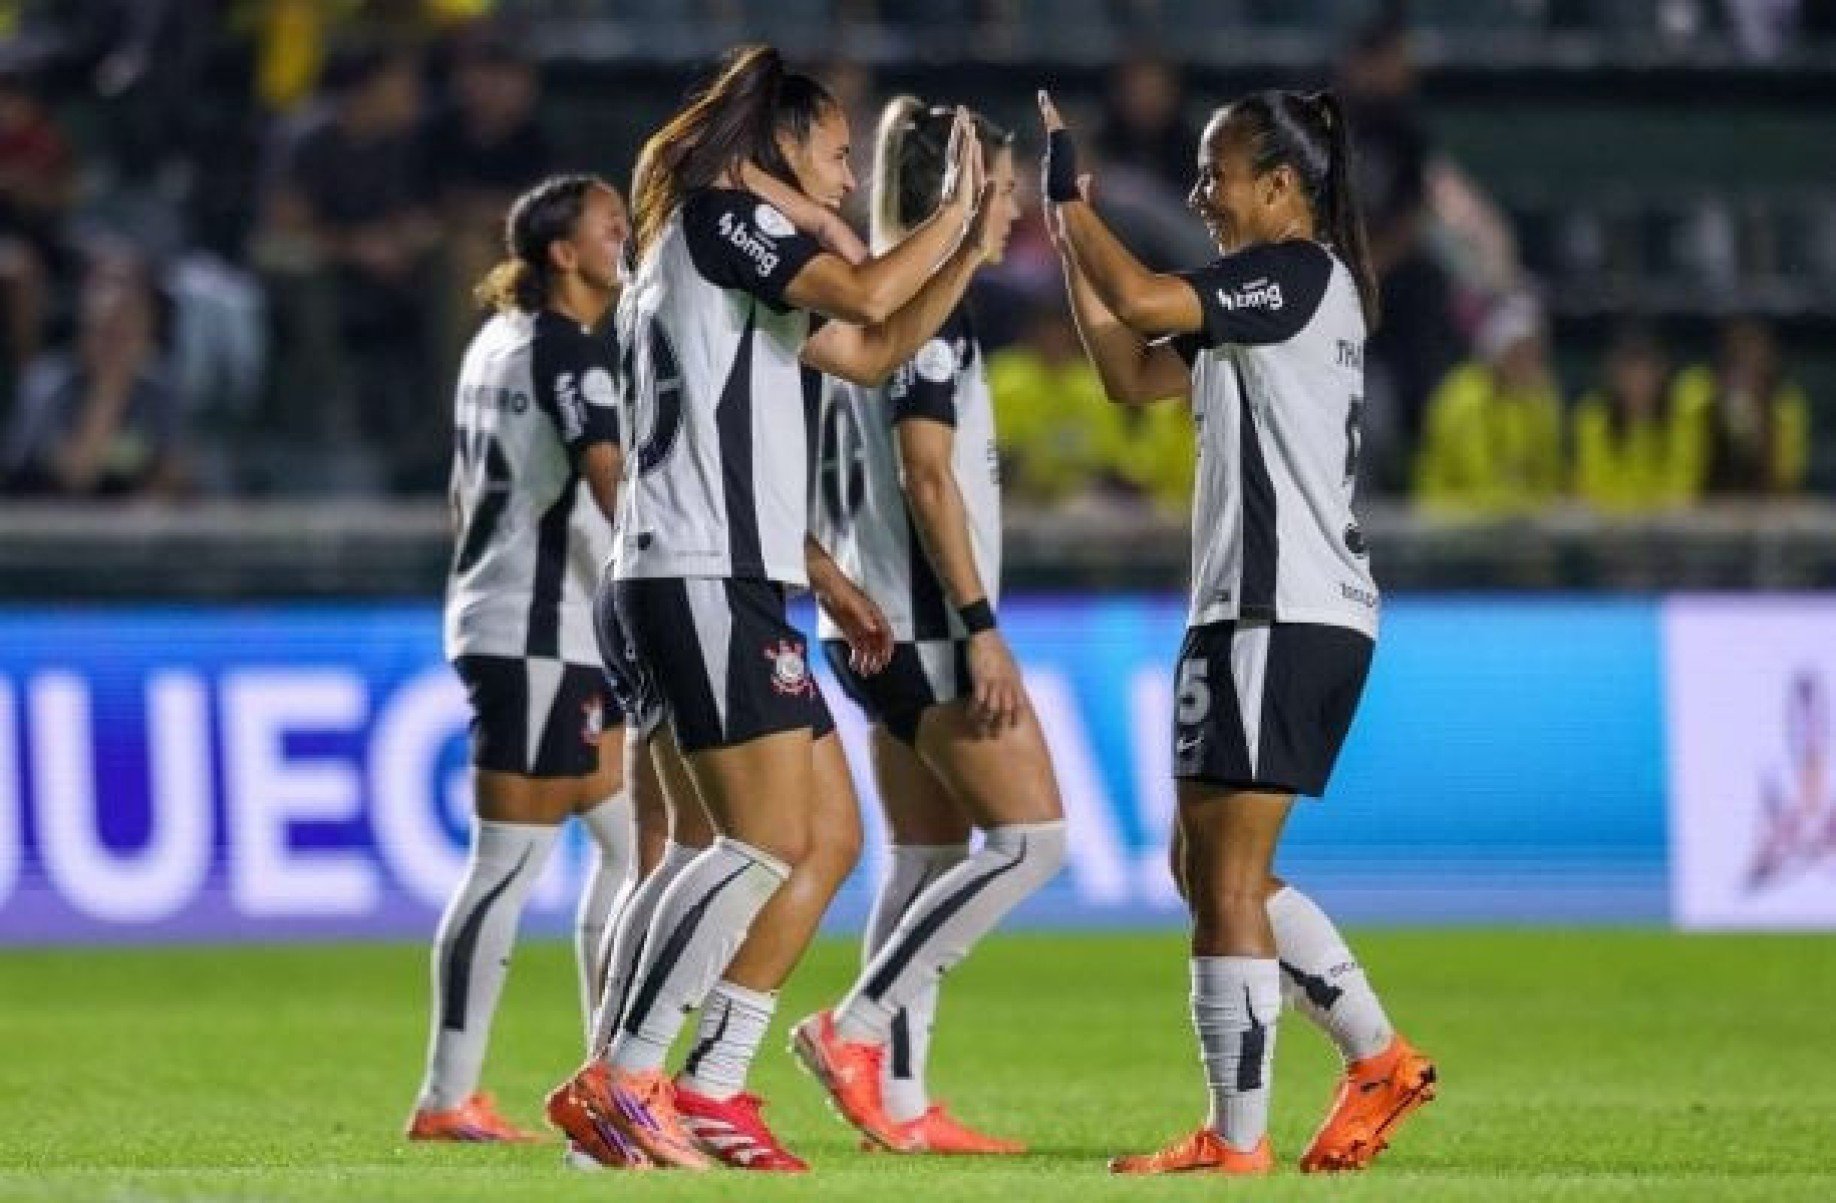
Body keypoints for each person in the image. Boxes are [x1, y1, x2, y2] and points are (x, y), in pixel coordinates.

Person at [545, 44, 1004, 1172]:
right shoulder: (717, 220)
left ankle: (702, 1085)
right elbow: (861, 291)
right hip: (696, 571)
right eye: (837, 154)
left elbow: (879, 344)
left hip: (737, 575)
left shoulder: (723, 251)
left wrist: (964, 247)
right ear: (781, 143)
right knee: (749, 844)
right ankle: (624, 1076)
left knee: (822, 840)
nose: (847, 180)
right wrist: (952, 208)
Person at [1041, 86, 1436, 1176]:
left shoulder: (1298, 276)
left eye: (1216, 173)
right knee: (1200, 863)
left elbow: (1145, 297)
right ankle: (1375, 1058)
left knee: (1223, 879)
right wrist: (1068, 236)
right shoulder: (1269, 301)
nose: (1198, 192)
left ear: (1281, 187)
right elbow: (1127, 372)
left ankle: (1239, 1135)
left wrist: (1071, 204)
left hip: (1285, 608)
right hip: (1246, 610)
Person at [802, 96, 1065, 1157]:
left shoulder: (845, 309)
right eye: (997, 184)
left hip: (866, 624)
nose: (1010, 206)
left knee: (922, 855)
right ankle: (855, 1027)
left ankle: (899, 1107)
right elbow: (925, 475)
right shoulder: (927, 318)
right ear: (951, 190)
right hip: (924, 628)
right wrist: (982, 626)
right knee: (1033, 844)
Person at [405, 174, 637, 1143]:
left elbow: (469, 495)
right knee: (507, 865)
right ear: (563, 255)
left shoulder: (493, 344)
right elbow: (615, 490)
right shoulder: (567, 352)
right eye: (610, 228)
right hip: (538, 634)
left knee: (635, 847)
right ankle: (446, 1094)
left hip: (530, 623)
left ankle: (613, 1075)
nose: (626, 239)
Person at [1413, 292, 1564, 515]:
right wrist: (1532, 505)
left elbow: (1547, 472)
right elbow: (1476, 481)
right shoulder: (1465, 399)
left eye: (1534, 353)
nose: (1529, 363)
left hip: (1512, 519)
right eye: (1519, 353)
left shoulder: (1539, 397)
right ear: (1497, 354)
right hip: (1450, 522)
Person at [1672, 316, 1809, 498]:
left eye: (1756, 360)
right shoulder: (1696, 391)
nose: (1747, 368)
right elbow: (1684, 466)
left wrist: (1761, 420)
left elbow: (1787, 477)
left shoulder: (1785, 401)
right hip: (1703, 503)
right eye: (1738, 356)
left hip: (1763, 505)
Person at [1571, 322, 1696, 513]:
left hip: (1668, 530)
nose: (1637, 383)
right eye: (1629, 373)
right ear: (1614, 374)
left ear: (1660, 373)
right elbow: (1595, 484)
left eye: (1645, 373)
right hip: (1610, 528)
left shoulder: (1681, 418)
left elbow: (1682, 482)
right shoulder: (1593, 416)